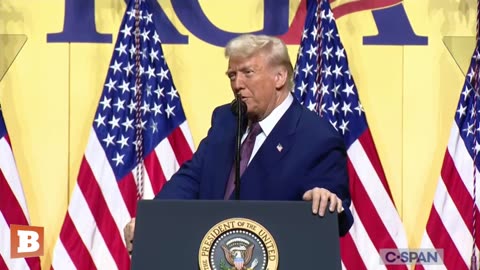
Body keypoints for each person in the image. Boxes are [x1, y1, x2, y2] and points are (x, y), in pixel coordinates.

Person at [124, 34, 353, 253]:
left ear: (280, 77)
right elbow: (193, 177)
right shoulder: (226, 119)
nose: (237, 84)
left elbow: (335, 207)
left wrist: (327, 200)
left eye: (248, 73)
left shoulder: (317, 137)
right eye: (232, 75)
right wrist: (152, 222)